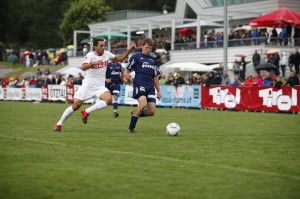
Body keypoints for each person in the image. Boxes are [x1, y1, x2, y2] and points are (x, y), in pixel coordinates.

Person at [54, 38, 135, 132]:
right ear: (95, 47)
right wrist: (93, 63)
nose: (103, 47)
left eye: (104, 45)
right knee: (76, 105)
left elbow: (120, 58)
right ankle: (59, 124)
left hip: (100, 86)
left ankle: (86, 111)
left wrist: (129, 50)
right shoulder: (90, 55)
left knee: (108, 99)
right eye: (101, 45)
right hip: (88, 85)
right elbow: (83, 67)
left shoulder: (107, 54)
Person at [123, 38, 162, 133]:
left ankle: (136, 112)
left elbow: (155, 77)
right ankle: (131, 127)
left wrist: (159, 91)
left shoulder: (153, 61)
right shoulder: (136, 57)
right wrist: (125, 73)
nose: (148, 49)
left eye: (150, 48)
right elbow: (127, 69)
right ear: (142, 46)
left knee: (151, 112)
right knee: (143, 104)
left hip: (150, 87)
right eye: (147, 47)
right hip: (139, 84)